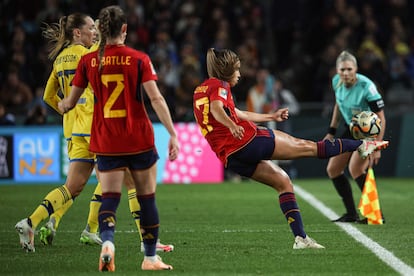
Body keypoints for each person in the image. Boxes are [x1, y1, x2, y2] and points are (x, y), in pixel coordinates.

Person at [193, 48, 389, 250]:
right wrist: (232, 126)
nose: (239, 74)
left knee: (283, 183)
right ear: (226, 70)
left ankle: (301, 239)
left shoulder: (202, 89)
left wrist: (271, 117)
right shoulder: (220, 85)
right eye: (237, 70)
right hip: (248, 140)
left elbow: (236, 112)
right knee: (310, 147)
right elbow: (218, 111)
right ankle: (363, 144)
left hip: (231, 157)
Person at [58, 5, 179, 272]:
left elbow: (70, 102)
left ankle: (108, 243)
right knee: (146, 199)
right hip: (138, 139)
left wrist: (62, 105)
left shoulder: (87, 62)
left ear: (100, 30)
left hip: (105, 141)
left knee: (110, 198)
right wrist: (172, 133)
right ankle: (149, 258)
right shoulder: (138, 58)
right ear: (124, 29)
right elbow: (156, 98)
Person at [15, 12, 97, 253]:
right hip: (93, 125)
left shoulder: (59, 60)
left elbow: (47, 97)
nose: (94, 32)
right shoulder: (87, 55)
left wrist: (66, 110)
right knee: (115, 175)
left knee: (73, 186)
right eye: (91, 28)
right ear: (77, 33)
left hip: (73, 130)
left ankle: (31, 222)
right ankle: (91, 230)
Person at [324, 50, 387, 223]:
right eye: (342, 69)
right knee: (333, 169)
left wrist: (376, 145)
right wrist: (331, 130)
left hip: (368, 132)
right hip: (351, 128)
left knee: (355, 169)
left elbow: (381, 117)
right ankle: (351, 213)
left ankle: (375, 214)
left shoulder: (367, 87)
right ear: (337, 70)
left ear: (356, 69)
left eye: (349, 69)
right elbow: (338, 104)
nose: (345, 73)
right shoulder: (336, 82)